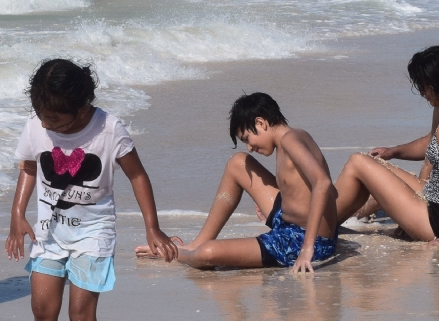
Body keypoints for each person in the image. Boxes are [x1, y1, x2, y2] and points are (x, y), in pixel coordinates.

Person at [6, 60, 176, 321]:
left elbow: (138, 175)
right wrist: (17, 213)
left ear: (81, 108)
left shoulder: (109, 129)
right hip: (49, 233)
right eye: (42, 116)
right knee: (41, 308)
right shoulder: (37, 126)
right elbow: (30, 167)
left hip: (92, 233)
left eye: (56, 121)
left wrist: (153, 228)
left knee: (80, 313)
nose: (48, 126)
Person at [137, 92, 336, 272]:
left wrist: (307, 248)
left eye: (247, 138)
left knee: (209, 254)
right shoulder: (294, 136)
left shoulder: (290, 140)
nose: (249, 147)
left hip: (300, 240)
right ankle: (195, 243)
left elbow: (323, 182)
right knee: (238, 163)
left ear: (261, 123)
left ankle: (178, 253)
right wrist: (284, 200)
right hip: (287, 221)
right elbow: (300, 186)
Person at [333, 47, 439, 244]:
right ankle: (337, 220)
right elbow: (431, 141)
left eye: (425, 86)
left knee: (357, 162)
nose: (422, 93)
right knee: (371, 162)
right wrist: (393, 152)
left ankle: (320, 225)